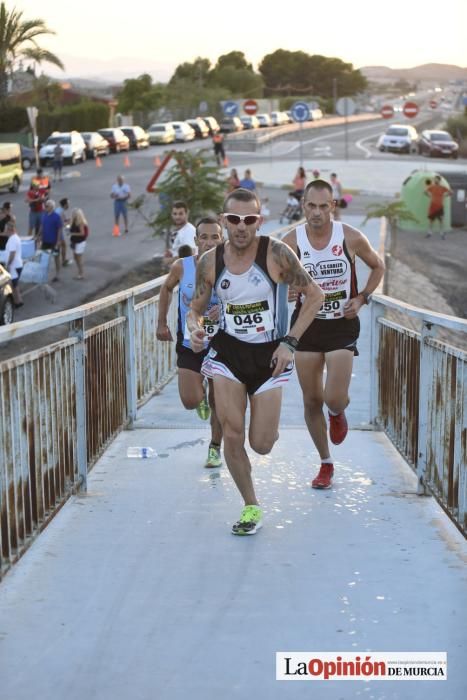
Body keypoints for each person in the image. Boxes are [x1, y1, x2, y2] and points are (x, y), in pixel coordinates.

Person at [187, 188, 324, 535]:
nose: (241, 226)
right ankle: (251, 506)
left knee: (261, 443)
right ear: (223, 221)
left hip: (270, 355)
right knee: (232, 433)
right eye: (234, 219)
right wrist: (195, 330)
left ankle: (264, 430)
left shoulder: (277, 254)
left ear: (259, 221)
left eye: (249, 220)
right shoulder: (210, 261)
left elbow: (315, 296)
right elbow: (195, 311)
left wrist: (290, 343)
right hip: (228, 353)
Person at [282, 180, 385, 490]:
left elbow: (378, 266)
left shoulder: (350, 237)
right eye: (311, 206)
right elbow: (274, 275)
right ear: (303, 207)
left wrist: (363, 297)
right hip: (307, 327)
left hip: (341, 325)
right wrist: (287, 287)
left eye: (323, 206)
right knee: (312, 400)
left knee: (332, 397)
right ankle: (325, 463)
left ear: (333, 207)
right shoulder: (291, 241)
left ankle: (338, 412)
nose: (316, 212)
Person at [156, 217, 224, 468]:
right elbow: (166, 289)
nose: (208, 242)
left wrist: (225, 309)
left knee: (221, 401)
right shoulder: (182, 267)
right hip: (189, 342)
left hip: (221, 344)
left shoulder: (230, 266)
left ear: (222, 239)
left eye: (214, 237)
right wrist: (161, 322)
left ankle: (215, 447)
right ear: (196, 241)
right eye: (203, 237)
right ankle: (201, 397)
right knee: (190, 401)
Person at [162, 201, 197, 269]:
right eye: (175, 214)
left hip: (187, 271)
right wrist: (172, 252)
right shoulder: (180, 230)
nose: (177, 217)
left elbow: (191, 253)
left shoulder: (188, 231)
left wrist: (169, 260)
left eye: (181, 214)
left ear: (187, 214)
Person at [39, 199, 63, 282]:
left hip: (53, 241)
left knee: (56, 257)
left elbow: (59, 229)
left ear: (52, 207)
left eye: (47, 206)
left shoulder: (56, 217)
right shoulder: (44, 215)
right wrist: (38, 235)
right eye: (45, 206)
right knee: (44, 257)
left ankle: (58, 274)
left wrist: (58, 241)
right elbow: (42, 226)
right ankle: (43, 274)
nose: (45, 207)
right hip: (45, 240)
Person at [425, 175, 452, 239]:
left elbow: (451, 192)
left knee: (441, 220)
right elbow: (425, 192)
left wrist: (445, 195)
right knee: (431, 220)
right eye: (435, 179)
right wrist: (429, 196)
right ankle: (429, 233)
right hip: (433, 206)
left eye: (436, 179)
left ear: (439, 180)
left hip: (440, 206)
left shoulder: (443, 187)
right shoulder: (431, 187)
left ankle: (442, 234)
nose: (435, 180)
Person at [4, 220, 23, 307]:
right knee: (15, 285)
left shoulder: (12, 240)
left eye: (6, 230)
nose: (5, 231)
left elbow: (12, 254)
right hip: (17, 265)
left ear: (10, 230)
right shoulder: (16, 237)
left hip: (14, 266)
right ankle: (18, 301)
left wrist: (8, 265)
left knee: (11, 284)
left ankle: (15, 302)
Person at [69, 208, 89, 280]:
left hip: (80, 242)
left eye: (74, 214)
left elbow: (82, 233)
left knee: (78, 258)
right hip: (75, 242)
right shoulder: (74, 221)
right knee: (75, 257)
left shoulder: (80, 223)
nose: (73, 215)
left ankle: (81, 273)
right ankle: (80, 271)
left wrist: (72, 233)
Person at [55, 197, 71, 267]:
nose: (69, 205)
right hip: (58, 231)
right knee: (63, 246)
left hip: (56, 230)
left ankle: (61, 260)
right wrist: (69, 231)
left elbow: (65, 220)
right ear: (65, 205)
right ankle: (63, 261)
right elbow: (63, 224)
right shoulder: (61, 212)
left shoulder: (59, 210)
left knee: (60, 246)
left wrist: (67, 221)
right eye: (68, 204)